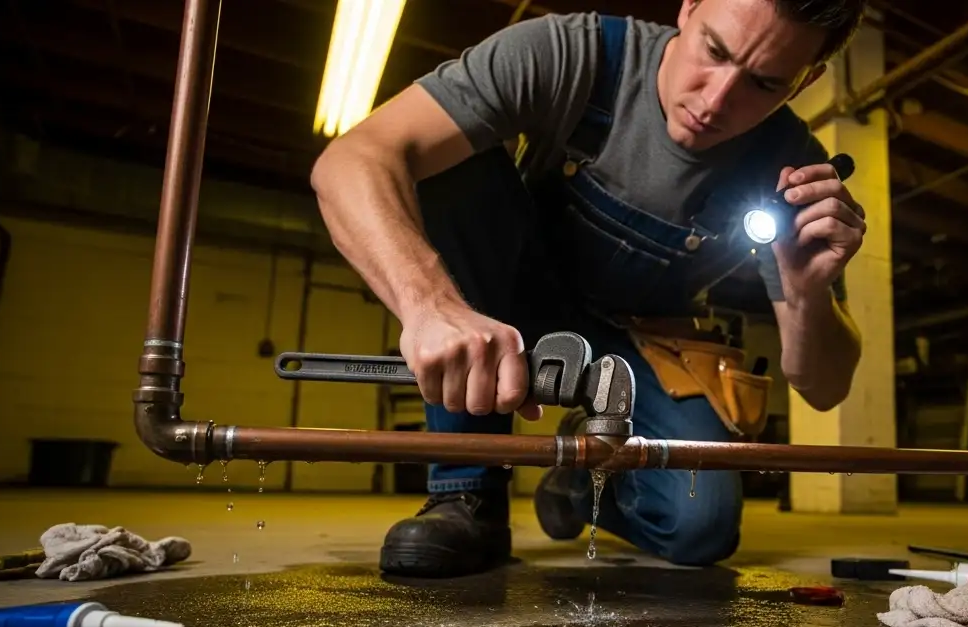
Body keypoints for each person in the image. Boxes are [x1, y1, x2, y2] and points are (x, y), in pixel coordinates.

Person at [310, 0, 868, 578]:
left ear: (807, 80)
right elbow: (351, 160)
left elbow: (823, 388)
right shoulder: (575, 55)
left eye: (764, 82)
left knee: (700, 525)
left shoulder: (794, 173)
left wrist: (806, 293)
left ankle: (583, 480)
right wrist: (430, 307)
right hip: (507, 297)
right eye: (715, 50)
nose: (716, 99)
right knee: (446, 161)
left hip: (640, 343)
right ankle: (465, 492)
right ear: (690, 6)